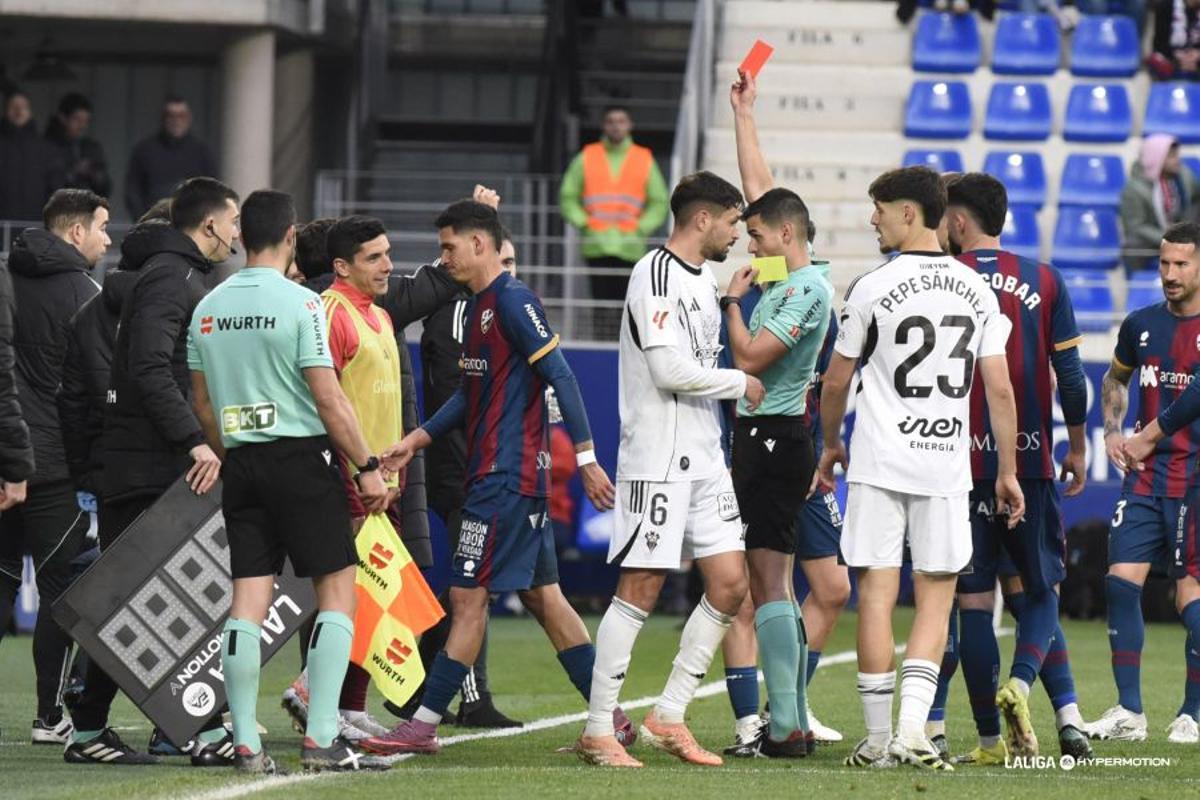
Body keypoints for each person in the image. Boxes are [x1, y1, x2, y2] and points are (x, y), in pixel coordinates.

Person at [359, 200, 620, 756]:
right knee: (544, 598)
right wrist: (416, 440)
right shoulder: (478, 306)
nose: (443, 257)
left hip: (503, 477)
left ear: (479, 245)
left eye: (450, 246)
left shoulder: (513, 301)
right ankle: (610, 718)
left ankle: (423, 723)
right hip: (505, 477)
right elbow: (468, 394)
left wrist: (589, 456)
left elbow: (562, 375)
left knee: (468, 597)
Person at [816, 165, 1023, 771]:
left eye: (878, 209)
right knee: (937, 599)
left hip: (880, 463)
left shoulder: (871, 287)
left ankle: (880, 740)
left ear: (910, 213)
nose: (871, 219)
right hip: (946, 468)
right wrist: (1006, 469)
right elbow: (1000, 391)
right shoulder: (977, 290)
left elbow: (836, 380)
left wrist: (831, 442)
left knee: (877, 595)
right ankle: (913, 731)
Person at [185, 189, 393, 774]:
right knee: (337, 591)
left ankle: (247, 742)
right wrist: (368, 467)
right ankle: (322, 736)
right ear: (292, 234)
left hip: (243, 467)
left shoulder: (208, 306)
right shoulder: (302, 304)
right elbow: (329, 398)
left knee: (246, 601)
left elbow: (202, 405)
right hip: (302, 460)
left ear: (241, 235)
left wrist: (236, 451)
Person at [573, 171, 764, 769]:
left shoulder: (704, 280)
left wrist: (733, 297)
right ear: (703, 219)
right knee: (642, 587)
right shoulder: (651, 274)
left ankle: (670, 715)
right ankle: (598, 729)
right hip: (657, 456)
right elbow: (669, 370)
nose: (737, 232)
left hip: (706, 456)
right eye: (732, 221)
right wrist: (740, 381)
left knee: (732, 584)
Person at [65, 177, 239, 766]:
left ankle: (92, 729)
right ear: (210, 224)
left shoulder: (180, 274)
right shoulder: (173, 276)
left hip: (146, 460)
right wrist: (194, 442)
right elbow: (148, 368)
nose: (237, 233)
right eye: (233, 221)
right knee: (156, 599)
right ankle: (200, 729)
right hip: (150, 464)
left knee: (131, 601)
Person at [930, 172, 1092, 764]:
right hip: (1025, 461)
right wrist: (1075, 445)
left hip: (953, 462)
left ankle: (990, 742)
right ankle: (1027, 690)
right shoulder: (1045, 279)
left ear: (958, 222)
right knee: (1038, 590)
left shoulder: (941, 277)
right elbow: (1071, 379)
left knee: (971, 600)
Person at [0, 189, 107, 744]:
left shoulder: (5, 277)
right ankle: (49, 717)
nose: (107, 239)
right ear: (75, 232)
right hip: (52, 468)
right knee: (62, 590)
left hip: (3, 459)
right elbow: (94, 388)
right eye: (102, 227)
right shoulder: (86, 294)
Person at [1092, 221, 1200, 745]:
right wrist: (1114, 431)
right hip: (1144, 479)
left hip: (1195, 480)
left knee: (1189, 598)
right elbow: (1115, 377)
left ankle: (1194, 713)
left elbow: (1194, 398)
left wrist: (1146, 436)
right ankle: (1129, 712)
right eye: (1164, 263)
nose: (1170, 274)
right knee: (1119, 582)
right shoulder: (1140, 324)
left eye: (1182, 264)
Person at [412, 221, 523, 728]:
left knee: (478, 583)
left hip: (486, 467)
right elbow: (462, 395)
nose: (512, 275)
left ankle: (424, 642)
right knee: (471, 585)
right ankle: (470, 696)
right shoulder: (463, 315)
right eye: (507, 262)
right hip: (465, 471)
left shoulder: (495, 314)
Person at [559, 105, 668, 336]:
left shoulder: (643, 158)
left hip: (630, 247)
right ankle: (604, 345)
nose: (616, 125)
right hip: (596, 245)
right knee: (600, 308)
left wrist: (641, 228)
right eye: (611, 121)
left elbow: (659, 201)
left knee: (628, 307)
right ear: (604, 125)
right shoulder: (587, 156)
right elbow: (567, 196)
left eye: (621, 121)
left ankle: (624, 348)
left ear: (629, 125)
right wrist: (585, 222)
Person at [124, 97, 217, 221]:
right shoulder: (145, 150)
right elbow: (132, 190)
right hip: (153, 225)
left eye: (181, 116)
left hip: (192, 226)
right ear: (163, 119)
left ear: (189, 118)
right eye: (171, 115)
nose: (176, 121)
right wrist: (143, 221)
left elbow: (213, 191)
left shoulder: (202, 152)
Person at [1120, 134, 1200, 275]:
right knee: (1133, 246)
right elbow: (1136, 227)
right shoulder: (1134, 189)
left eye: (1177, 155)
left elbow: (1195, 199)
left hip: (1183, 231)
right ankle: (1138, 289)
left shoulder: (1184, 176)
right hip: (1156, 238)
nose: (1177, 160)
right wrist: (1168, 238)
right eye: (1171, 156)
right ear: (1156, 158)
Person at [0, 90, 65, 222]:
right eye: (13, 106)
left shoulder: (46, 149)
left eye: (23, 107)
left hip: (34, 227)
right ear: (6, 111)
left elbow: (55, 190)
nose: (18, 110)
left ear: (30, 111)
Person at [44, 93, 111, 197]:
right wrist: (73, 173)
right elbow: (44, 185)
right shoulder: (47, 147)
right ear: (63, 118)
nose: (82, 126)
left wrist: (95, 175)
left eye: (86, 121)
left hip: (86, 210)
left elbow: (106, 188)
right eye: (77, 119)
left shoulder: (92, 147)